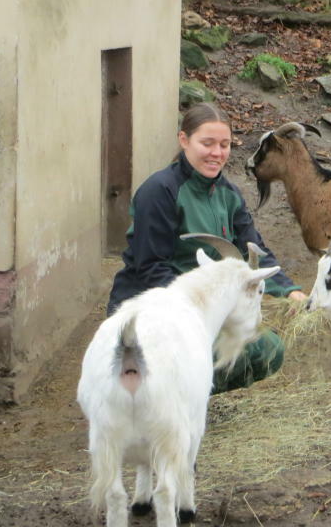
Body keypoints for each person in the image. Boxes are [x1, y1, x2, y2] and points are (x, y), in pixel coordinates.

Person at [107, 102, 306, 394]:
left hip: (206, 310)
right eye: (207, 143)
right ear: (184, 140)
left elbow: (254, 249)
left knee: (267, 350)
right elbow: (150, 269)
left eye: (224, 144)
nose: (217, 153)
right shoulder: (159, 191)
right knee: (201, 355)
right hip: (151, 311)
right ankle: (163, 397)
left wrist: (288, 290)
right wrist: (198, 311)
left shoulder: (228, 194)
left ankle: (189, 395)